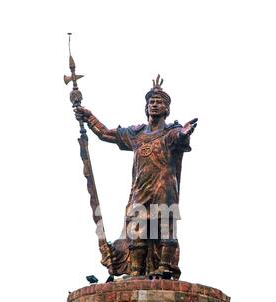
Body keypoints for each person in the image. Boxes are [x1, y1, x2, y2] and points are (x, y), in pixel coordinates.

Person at [75, 75, 197, 279]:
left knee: (165, 227)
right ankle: (135, 272)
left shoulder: (170, 132)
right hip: (140, 189)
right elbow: (106, 134)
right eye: (152, 102)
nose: (155, 105)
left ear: (166, 109)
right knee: (137, 231)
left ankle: (165, 267)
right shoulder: (136, 134)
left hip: (164, 188)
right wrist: (88, 117)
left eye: (160, 103)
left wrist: (185, 133)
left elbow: (180, 137)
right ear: (146, 107)